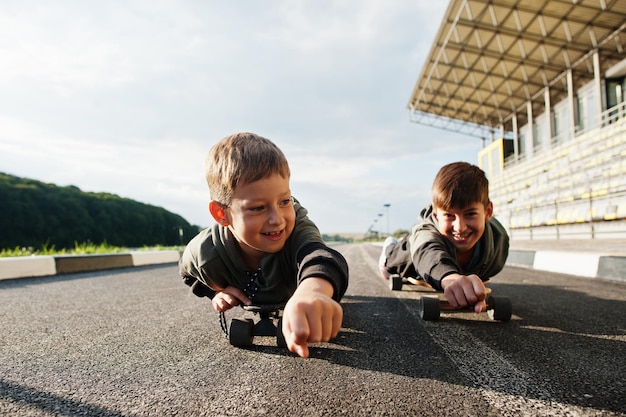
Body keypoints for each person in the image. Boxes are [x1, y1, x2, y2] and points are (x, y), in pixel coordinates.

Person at [179, 132, 349, 358]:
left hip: (294, 288)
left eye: (284, 201)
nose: (277, 219)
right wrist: (215, 292)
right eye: (258, 208)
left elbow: (322, 258)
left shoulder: (295, 227)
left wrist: (313, 291)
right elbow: (186, 272)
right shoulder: (205, 251)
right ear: (222, 213)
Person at [379, 161, 509, 313]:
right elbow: (428, 251)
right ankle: (389, 248)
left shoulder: (499, 241)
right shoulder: (426, 233)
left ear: (488, 212)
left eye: (470, 214)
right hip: (414, 255)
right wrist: (449, 277)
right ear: (436, 214)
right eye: (449, 215)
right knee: (397, 260)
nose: (460, 227)